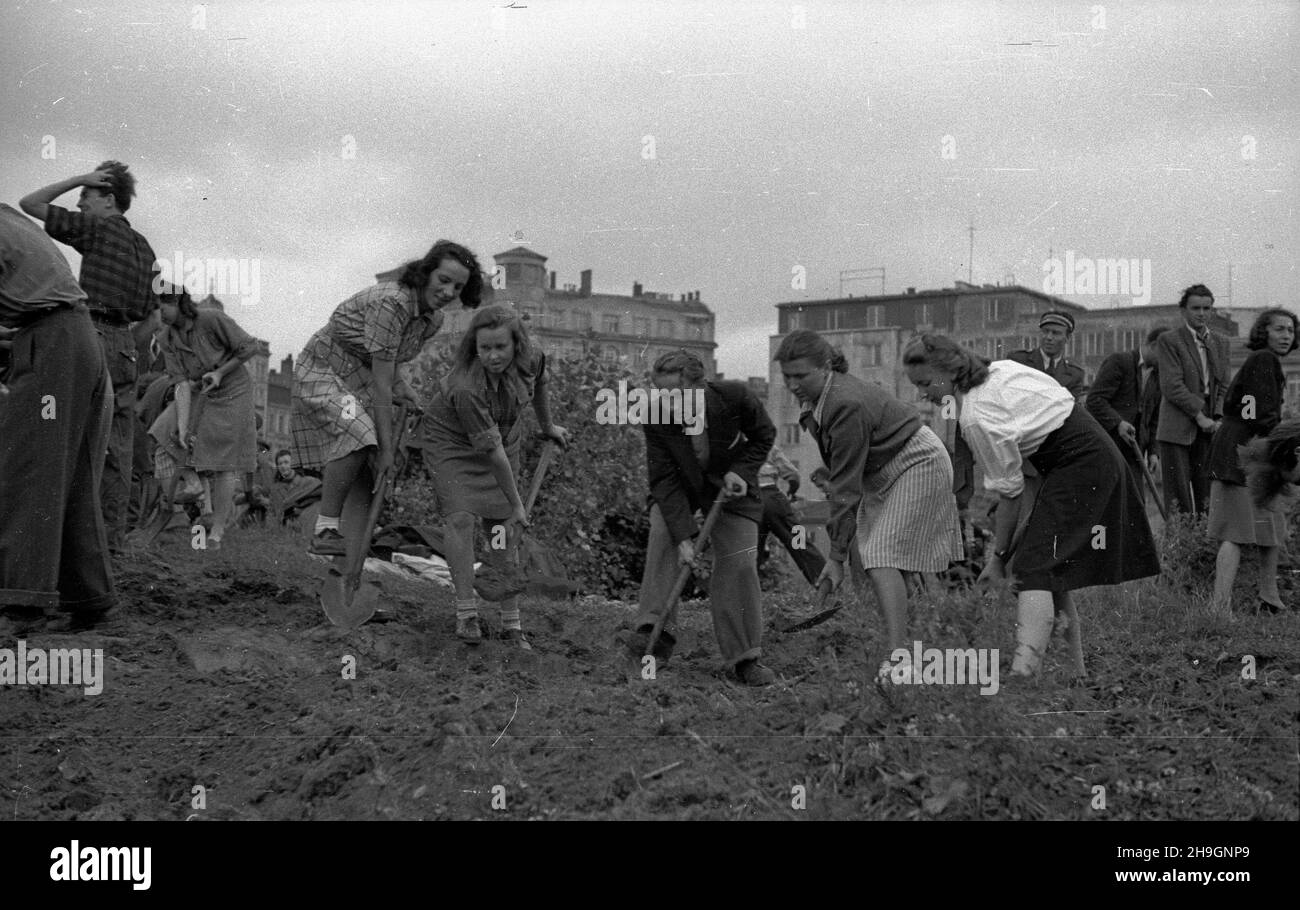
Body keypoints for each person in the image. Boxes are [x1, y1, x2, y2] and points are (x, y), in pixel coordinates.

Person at [903, 334, 1160, 678]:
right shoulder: (1000, 370)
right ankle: (1075, 674)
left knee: (1032, 570)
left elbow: (1010, 494)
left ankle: (1023, 675)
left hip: (1081, 466)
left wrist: (998, 560)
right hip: (1087, 458)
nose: (923, 393)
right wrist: (1017, 539)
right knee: (1048, 568)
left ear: (950, 371)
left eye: (925, 383)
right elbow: (1030, 474)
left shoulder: (976, 418)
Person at [779, 330, 963, 681]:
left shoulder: (844, 403)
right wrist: (842, 553)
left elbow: (844, 488)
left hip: (916, 461)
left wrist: (834, 558)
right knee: (874, 559)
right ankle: (922, 643)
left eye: (801, 375)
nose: (793, 384)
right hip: (882, 470)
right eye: (787, 376)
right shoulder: (817, 400)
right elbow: (843, 477)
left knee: (881, 554)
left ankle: (899, 660)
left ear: (825, 367)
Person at [293, 240, 482, 559]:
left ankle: (347, 562)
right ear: (426, 273)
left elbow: (390, 364)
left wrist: (403, 385)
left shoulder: (431, 320)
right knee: (361, 436)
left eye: (458, 286)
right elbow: (382, 385)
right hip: (326, 367)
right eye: (444, 280)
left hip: (363, 376)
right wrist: (384, 446)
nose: (449, 292)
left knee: (369, 474)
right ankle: (325, 528)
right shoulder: (392, 302)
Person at [21, 162, 161, 550]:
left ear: (108, 199)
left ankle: (55, 541)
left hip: (90, 334)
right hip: (126, 348)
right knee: (117, 450)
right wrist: (127, 345)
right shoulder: (144, 246)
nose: (80, 202)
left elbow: (29, 203)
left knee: (64, 434)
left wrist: (75, 178)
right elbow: (153, 316)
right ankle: (109, 545)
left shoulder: (96, 230)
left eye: (87, 195)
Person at [420, 305, 569, 649]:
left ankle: (511, 624)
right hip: (451, 441)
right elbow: (493, 455)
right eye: (484, 348)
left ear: (517, 344)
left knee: (501, 529)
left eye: (500, 347)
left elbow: (541, 383)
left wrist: (548, 427)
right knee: (460, 517)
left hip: (502, 436)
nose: (492, 355)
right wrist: (518, 506)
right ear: (475, 347)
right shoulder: (466, 387)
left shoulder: (532, 358)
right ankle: (466, 613)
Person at [626, 350, 777, 686]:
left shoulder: (735, 397)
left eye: (677, 395)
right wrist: (684, 538)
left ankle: (744, 658)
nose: (669, 403)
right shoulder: (656, 415)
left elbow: (764, 435)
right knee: (663, 531)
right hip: (683, 488)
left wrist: (741, 471)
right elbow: (663, 480)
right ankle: (654, 633)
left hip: (732, 488)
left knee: (739, 563)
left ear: (700, 386)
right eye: (662, 394)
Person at [0, 202, 117, 629]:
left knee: (28, 469)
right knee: (69, 479)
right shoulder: (10, 217)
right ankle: (89, 597)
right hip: (76, 336)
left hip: (50, 340)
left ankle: (22, 604)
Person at [1206, 308, 1298, 615]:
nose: (1286, 335)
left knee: (1272, 521)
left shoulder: (1269, 363)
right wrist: (1285, 437)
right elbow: (1255, 413)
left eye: (1290, 330)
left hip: (1254, 447)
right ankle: (1219, 608)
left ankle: (1269, 597)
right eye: (1279, 329)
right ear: (1264, 333)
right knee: (1236, 531)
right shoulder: (1263, 359)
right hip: (1240, 451)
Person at [155, 287, 260, 549]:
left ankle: (217, 532)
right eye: (156, 308)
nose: (160, 314)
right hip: (199, 389)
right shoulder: (166, 338)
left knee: (223, 461)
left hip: (233, 391)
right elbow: (180, 384)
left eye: (163, 307)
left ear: (179, 303)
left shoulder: (211, 319)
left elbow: (249, 347)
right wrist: (181, 427)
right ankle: (189, 497)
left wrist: (222, 372)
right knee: (165, 435)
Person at [1156, 284, 1230, 516]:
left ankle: (1204, 548)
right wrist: (1200, 417)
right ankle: (1179, 549)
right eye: (1195, 308)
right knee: (1178, 498)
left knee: (1207, 493)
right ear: (1184, 311)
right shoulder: (1169, 340)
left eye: (1206, 308)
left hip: (1209, 428)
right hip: (1177, 427)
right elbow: (1171, 386)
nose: (1201, 313)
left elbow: (1224, 385)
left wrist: (1217, 417)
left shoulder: (1220, 342)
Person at [1085, 328, 1164, 502]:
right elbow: (1095, 400)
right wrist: (1118, 423)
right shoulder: (1120, 361)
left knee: (1135, 502)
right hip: (1109, 445)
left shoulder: (1159, 376)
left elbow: (1154, 418)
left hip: (1135, 451)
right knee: (1107, 501)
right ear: (1153, 345)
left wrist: (1153, 452)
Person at [755, 443, 826, 588]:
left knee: (752, 550)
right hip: (774, 499)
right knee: (800, 542)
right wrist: (791, 492)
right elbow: (793, 475)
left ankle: (746, 596)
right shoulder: (768, 446)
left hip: (750, 502)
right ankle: (826, 584)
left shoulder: (734, 444)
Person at [1007, 311, 1086, 400]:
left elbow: (1071, 408)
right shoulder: (1018, 361)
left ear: (1068, 338)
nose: (1049, 337)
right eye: (1045, 331)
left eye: (1055, 333)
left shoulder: (1074, 375)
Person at [269, 449, 323, 525]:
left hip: (309, 522)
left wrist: (300, 510)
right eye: (280, 464)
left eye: (286, 462)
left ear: (293, 464)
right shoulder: (275, 489)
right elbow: (273, 513)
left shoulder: (310, 481)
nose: (283, 466)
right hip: (286, 529)